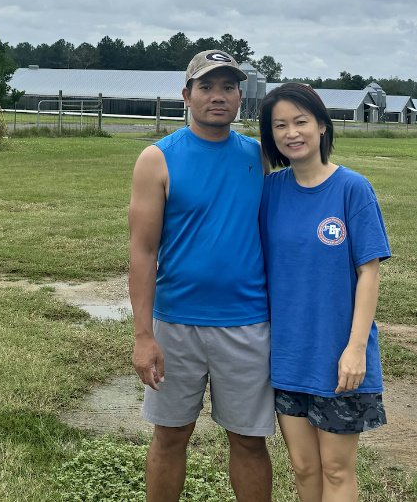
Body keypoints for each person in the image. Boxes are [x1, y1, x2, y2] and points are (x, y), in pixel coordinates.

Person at [128, 49, 273, 502]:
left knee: (249, 441)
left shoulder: (261, 158)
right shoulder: (157, 159)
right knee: (170, 436)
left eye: (229, 87)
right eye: (207, 87)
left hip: (247, 323)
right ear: (186, 95)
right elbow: (143, 249)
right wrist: (142, 335)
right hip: (177, 325)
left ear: (240, 96)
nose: (218, 96)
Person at [259, 83, 391, 502]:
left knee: (336, 469)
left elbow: (369, 273)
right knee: (303, 468)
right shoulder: (270, 191)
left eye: (301, 122)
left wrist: (355, 349)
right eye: (280, 125)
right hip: (288, 354)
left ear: (322, 126)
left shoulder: (353, 189)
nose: (291, 133)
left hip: (339, 358)